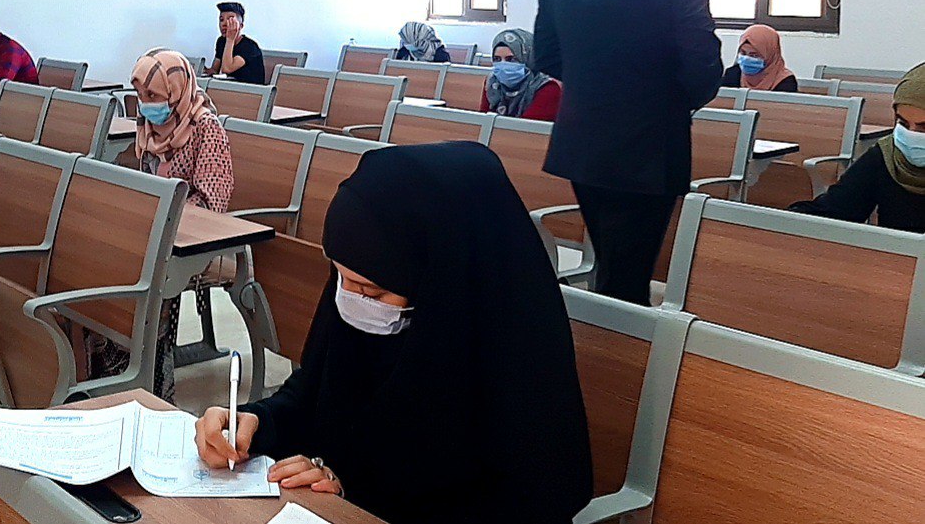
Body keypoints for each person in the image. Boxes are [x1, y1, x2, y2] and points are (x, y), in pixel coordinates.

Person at [194, 142, 593, 524]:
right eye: (339, 277)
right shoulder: (365, 287)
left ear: (438, 282)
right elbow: (313, 394)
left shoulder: (514, 354)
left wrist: (353, 493)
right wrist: (255, 422)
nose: (350, 301)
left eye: (371, 292)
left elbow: (527, 503)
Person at [534, 0, 723, 306]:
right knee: (629, 279)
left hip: (581, 144)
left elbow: (545, 55)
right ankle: (616, 346)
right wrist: (667, 106)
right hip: (649, 151)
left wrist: (594, 91)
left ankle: (603, 338)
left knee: (611, 263)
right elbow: (702, 69)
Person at [88, 49, 233, 401]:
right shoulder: (149, 127)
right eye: (140, 94)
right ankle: (106, 373)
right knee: (98, 255)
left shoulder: (206, 129)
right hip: (156, 232)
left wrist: (160, 220)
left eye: (153, 95)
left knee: (139, 272)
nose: (145, 104)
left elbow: (212, 205)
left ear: (177, 89)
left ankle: (150, 383)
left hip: (195, 241)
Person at [789, 63, 925, 232]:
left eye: (924, 127)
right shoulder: (886, 156)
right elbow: (834, 211)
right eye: (903, 123)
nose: (912, 134)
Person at [479, 28, 562, 121]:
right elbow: (483, 120)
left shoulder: (548, 88)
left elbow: (527, 127)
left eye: (511, 59)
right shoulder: (492, 83)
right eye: (497, 59)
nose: (503, 65)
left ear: (528, 58)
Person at [720, 24, 798, 92]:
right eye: (743, 53)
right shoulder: (733, 73)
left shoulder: (786, 82)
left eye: (754, 55)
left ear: (770, 55)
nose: (747, 59)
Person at [206, 2, 265, 85]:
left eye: (230, 20)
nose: (224, 24)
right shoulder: (221, 41)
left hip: (250, 90)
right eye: (221, 20)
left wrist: (230, 39)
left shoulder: (250, 46)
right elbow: (215, 70)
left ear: (240, 26)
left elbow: (227, 69)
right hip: (230, 87)